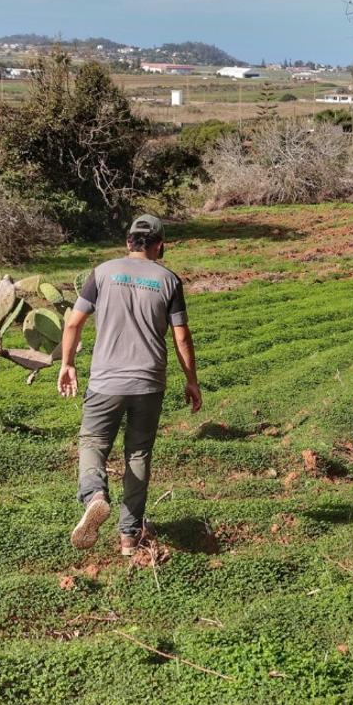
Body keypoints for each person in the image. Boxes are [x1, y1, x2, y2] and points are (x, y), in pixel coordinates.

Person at [58, 214, 202, 556]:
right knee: (138, 453)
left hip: (106, 380)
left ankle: (95, 495)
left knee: (93, 441)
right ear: (160, 245)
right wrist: (192, 381)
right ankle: (128, 537)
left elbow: (74, 321)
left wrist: (67, 364)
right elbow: (181, 336)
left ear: (128, 242)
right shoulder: (169, 280)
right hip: (149, 382)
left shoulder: (103, 272)